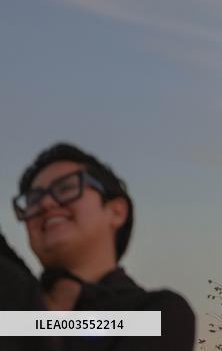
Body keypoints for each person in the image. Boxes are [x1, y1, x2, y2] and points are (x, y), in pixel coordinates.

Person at [12, 143, 196, 350]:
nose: (46, 203)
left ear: (116, 212)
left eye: (66, 188)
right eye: (33, 200)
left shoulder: (156, 314)